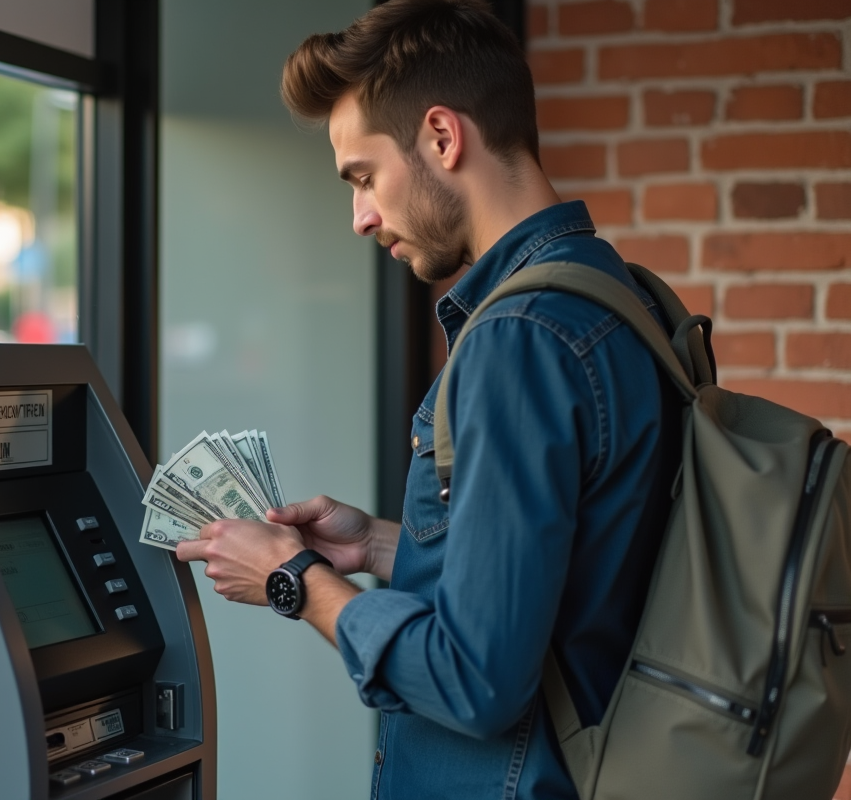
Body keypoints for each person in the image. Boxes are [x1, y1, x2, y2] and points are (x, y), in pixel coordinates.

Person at [174, 1, 679, 798]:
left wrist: (294, 578)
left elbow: (474, 683)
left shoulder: (521, 337)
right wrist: (377, 547)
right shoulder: (620, 296)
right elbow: (579, 565)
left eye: (365, 177)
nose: (360, 217)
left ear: (442, 137)